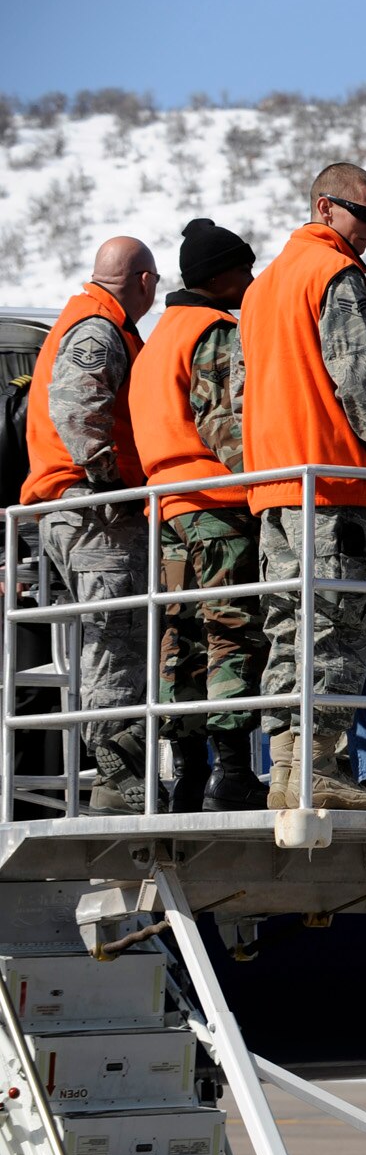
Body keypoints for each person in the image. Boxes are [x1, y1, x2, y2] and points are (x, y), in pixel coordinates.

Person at [238, 162, 366, 811]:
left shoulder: (262, 288)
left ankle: (286, 770)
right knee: (339, 626)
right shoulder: (334, 274)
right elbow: (358, 375)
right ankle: (321, 769)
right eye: (365, 215)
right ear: (325, 208)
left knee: (289, 627)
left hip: (274, 490)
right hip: (334, 486)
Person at [129, 218, 268, 812]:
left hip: (167, 507)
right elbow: (225, 423)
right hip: (216, 503)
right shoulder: (214, 331)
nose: (252, 279)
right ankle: (232, 773)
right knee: (231, 631)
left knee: (179, 637)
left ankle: (189, 775)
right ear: (220, 276)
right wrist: (268, 483)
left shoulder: (158, 338)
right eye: (245, 268)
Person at [19, 237, 159, 814]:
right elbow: (77, 406)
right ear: (146, 282)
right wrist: (112, 483)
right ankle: (117, 784)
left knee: (112, 641)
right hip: (91, 512)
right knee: (116, 644)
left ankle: (117, 777)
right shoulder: (99, 328)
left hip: (73, 507)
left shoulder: (90, 320)